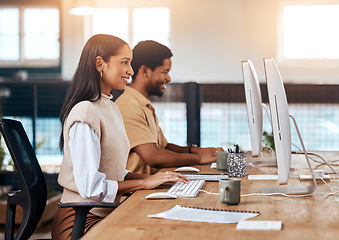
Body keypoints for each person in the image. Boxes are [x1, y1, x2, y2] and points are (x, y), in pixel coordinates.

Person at [51, 35, 187, 240]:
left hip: (104, 214)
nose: (131, 71)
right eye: (124, 62)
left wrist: (153, 179)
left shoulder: (110, 107)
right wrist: (143, 184)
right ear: (100, 64)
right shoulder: (85, 112)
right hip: (80, 223)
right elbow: (91, 187)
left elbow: (112, 171)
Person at [115, 40, 220, 175]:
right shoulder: (129, 106)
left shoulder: (142, 104)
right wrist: (198, 158)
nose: (168, 78)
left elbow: (164, 147)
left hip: (149, 185)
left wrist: (195, 150)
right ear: (145, 71)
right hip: (135, 193)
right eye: (165, 72)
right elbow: (154, 157)